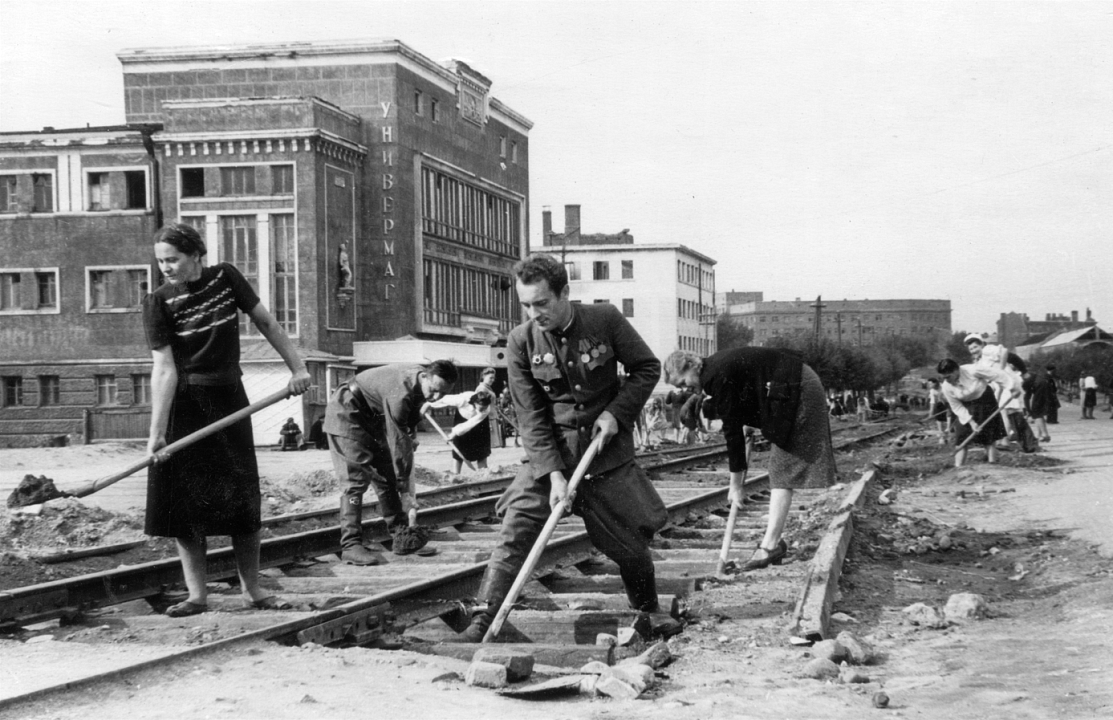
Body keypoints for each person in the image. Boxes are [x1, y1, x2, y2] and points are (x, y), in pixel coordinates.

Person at [454, 254, 675, 642]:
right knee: (517, 524)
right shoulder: (521, 341)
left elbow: (646, 368)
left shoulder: (604, 319)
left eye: (542, 303)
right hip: (550, 456)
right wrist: (553, 475)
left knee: (628, 541)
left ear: (565, 293)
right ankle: (484, 618)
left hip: (604, 455)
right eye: (526, 304)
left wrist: (616, 412)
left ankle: (647, 610)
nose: (534, 312)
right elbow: (531, 414)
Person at [144, 222, 312, 618]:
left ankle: (252, 591)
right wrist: (156, 434)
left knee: (241, 500)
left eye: (173, 260)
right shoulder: (158, 302)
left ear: (195, 255)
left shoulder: (225, 277)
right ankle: (196, 596)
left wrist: (298, 368)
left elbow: (267, 323)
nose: (166, 268)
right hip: (184, 407)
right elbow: (164, 369)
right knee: (183, 506)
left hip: (230, 400)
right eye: (161, 262)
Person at [665, 347, 837, 571]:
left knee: (782, 469)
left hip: (799, 388)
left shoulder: (716, 375)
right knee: (780, 468)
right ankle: (772, 545)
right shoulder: (714, 371)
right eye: (679, 387)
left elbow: (732, 433)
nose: (683, 389)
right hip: (792, 385)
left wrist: (735, 485)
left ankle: (770, 546)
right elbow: (747, 396)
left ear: (691, 366)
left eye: (682, 382)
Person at [324, 361, 458, 565]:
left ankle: (401, 536)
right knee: (355, 480)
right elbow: (398, 439)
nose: (436, 397)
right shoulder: (401, 392)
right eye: (434, 390)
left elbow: (406, 425)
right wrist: (405, 492)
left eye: (442, 394)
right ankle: (351, 545)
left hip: (373, 416)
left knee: (387, 475)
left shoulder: (420, 383)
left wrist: (410, 435)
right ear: (425, 377)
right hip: (347, 412)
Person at [937, 358, 1020, 467]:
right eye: (944, 378)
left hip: (985, 400)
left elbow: (997, 374)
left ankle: (992, 464)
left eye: (948, 377)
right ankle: (958, 467)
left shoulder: (972, 370)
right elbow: (956, 407)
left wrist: (1011, 388)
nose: (946, 380)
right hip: (967, 405)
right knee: (961, 435)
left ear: (957, 370)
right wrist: (971, 422)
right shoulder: (946, 387)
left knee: (988, 434)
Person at [428, 383, 494, 474]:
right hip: (461, 419)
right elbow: (445, 399)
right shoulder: (463, 399)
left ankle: (483, 474)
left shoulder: (486, 410)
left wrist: (453, 433)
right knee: (459, 446)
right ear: (475, 403)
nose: (483, 410)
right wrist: (429, 404)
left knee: (481, 450)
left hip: (479, 425)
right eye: (481, 408)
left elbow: (470, 424)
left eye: (485, 408)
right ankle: (456, 473)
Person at [1023, 369, 1054, 443]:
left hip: (1040, 386)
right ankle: (1039, 435)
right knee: (1039, 413)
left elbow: (1026, 398)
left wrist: (1029, 412)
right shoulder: (1029, 376)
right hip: (1045, 385)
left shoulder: (1023, 382)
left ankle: (1045, 435)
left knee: (1036, 413)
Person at [926, 378, 950, 445]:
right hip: (941, 403)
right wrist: (931, 413)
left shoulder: (944, 386)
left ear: (935, 383)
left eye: (930, 383)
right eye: (928, 384)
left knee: (949, 417)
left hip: (950, 402)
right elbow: (932, 402)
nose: (929, 385)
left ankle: (948, 432)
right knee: (938, 414)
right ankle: (941, 433)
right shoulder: (932, 391)